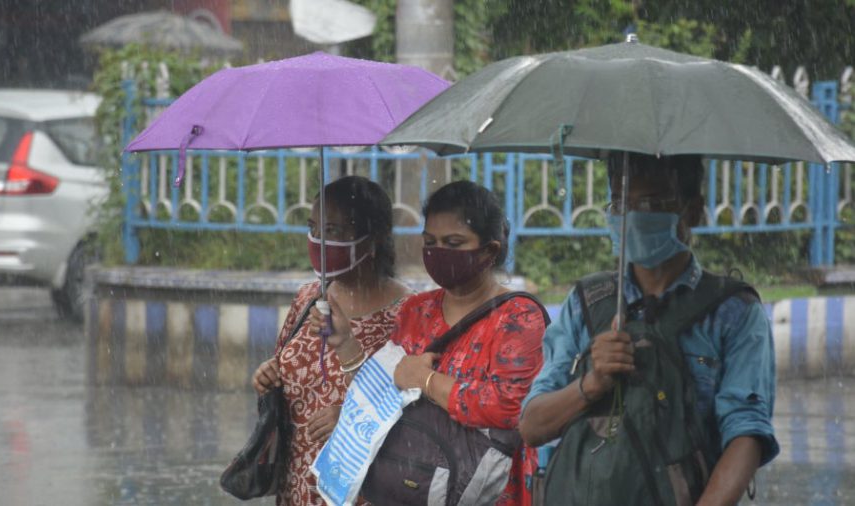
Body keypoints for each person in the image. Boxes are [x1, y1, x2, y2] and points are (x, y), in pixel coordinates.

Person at [519, 152, 778, 505]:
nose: (635, 215)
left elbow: (747, 434)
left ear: (693, 210)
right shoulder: (587, 302)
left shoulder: (733, 312)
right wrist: (591, 384)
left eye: (653, 201)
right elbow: (532, 426)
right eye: (621, 202)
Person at [315, 180, 547, 506]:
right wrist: (345, 344)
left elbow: (509, 409)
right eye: (430, 242)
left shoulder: (519, 317)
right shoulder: (417, 310)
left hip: (483, 491)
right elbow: (384, 391)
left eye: (453, 243)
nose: (439, 253)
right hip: (411, 487)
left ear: (490, 250)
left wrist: (426, 381)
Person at [251, 175, 410, 506]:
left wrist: (351, 417)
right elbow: (285, 368)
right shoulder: (309, 298)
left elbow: (413, 415)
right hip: (295, 488)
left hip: (360, 492)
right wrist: (269, 377)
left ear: (373, 239)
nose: (318, 240)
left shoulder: (407, 315)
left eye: (334, 231)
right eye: (313, 228)